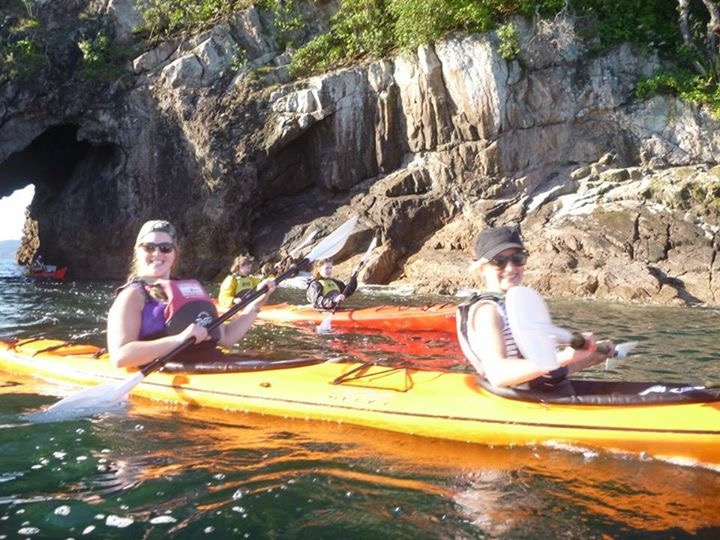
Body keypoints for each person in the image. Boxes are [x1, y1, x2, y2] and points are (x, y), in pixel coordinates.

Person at [456, 225, 615, 392]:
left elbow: (543, 366)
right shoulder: (487, 311)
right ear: (482, 268)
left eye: (517, 258)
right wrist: (563, 357)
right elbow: (498, 374)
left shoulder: (514, 305)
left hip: (538, 391)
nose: (510, 268)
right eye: (499, 262)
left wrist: (592, 354)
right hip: (518, 400)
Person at [107, 220, 276, 369]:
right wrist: (179, 339)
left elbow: (226, 338)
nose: (157, 253)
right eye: (149, 247)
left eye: (165, 248)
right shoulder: (132, 296)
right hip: (174, 370)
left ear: (174, 254)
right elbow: (121, 356)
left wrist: (256, 304)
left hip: (214, 364)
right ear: (138, 251)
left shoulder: (189, 290)